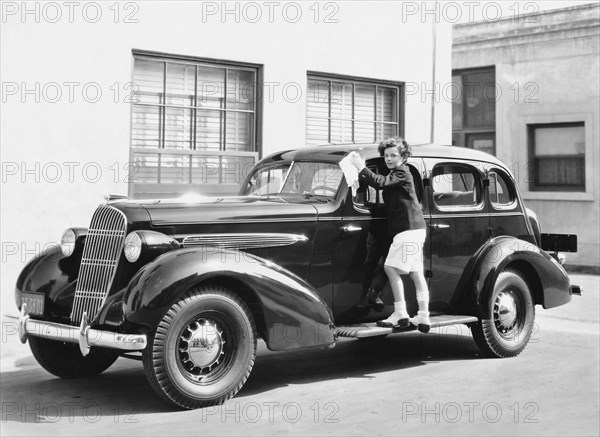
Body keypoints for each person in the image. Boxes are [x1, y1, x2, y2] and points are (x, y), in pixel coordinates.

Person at [349, 137, 431, 333]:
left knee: (390, 268)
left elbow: (380, 183)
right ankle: (423, 315)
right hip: (416, 229)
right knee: (416, 273)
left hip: (407, 230)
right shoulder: (400, 173)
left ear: (404, 156)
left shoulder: (403, 172)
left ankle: (400, 312)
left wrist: (361, 167)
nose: (388, 159)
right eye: (386, 155)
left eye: (393, 155)